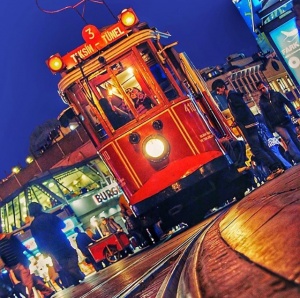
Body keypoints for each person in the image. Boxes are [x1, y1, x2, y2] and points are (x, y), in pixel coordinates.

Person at [211, 79, 284, 181]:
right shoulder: (231, 97)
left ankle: (274, 168)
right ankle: (278, 166)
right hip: (249, 124)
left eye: (218, 90)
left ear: (223, 87)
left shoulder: (232, 97)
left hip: (248, 126)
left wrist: (238, 120)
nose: (218, 93)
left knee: (256, 149)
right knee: (263, 147)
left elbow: (243, 111)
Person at [28, 202, 85, 287]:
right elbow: (62, 225)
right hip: (62, 241)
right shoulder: (49, 216)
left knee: (62, 262)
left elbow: (37, 240)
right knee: (72, 254)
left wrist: (43, 250)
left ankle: (74, 279)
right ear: (40, 207)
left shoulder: (33, 225)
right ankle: (74, 270)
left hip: (52, 248)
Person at [256, 80, 300, 164]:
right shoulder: (262, 102)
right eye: (260, 90)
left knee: (294, 137)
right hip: (276, 124)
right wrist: (270, 128)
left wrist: (295, 114)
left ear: (267, 86)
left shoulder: (277, 95)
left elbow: (288, 103)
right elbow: (265, 116)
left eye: (263, 88)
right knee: (288, 139)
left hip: (286, 120)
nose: (262, 90)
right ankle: (297, 157)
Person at [0, 232, 54, 298]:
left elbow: (20, 246)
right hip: (12, 267)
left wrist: (32, 254)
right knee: (31, 280)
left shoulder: (9, 237)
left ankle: (31, 296)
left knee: (27, 283)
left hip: (20, 263)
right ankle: (48, 292)